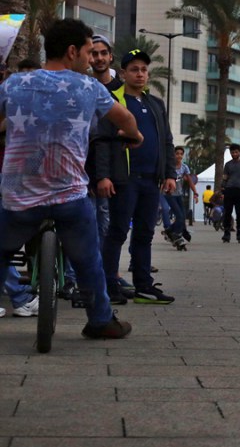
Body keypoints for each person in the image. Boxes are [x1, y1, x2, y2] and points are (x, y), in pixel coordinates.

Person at [0, 19, 139, 338]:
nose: (91, 60)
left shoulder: (15, 85)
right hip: (70, 199)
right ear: (72, 51)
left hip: (19, 198)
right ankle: (101, 321)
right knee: (88, 258)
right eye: (90, 52)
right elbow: (126, 119)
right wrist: (134, 137)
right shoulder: (89, 88)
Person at [95, 48, 177, 305]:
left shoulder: (155, 104)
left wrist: (169, 174)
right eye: (134, 69)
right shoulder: (112, 100)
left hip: (152, 179)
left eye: (143, 69)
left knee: (144, 233)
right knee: (117, 232)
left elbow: (166, 140)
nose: (140, 74)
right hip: (124, 179)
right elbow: (101, 141)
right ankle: (109, 285)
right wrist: (103, 176)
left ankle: (143, 285)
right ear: (123, 73)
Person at [220, 144, 240, 243]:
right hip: (229, 190)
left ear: (239, 152)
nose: (234, 154)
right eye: (232, 152)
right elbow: (225, 178)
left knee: (239, 213)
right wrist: (222, 189)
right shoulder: (228, 164)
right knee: (227, 212)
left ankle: (239, 232)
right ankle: (226, 233)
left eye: (236, 152)